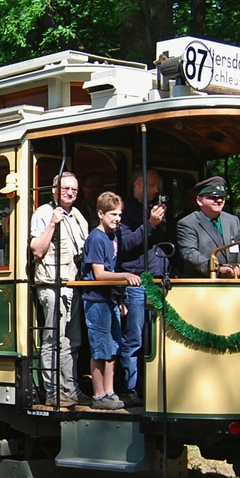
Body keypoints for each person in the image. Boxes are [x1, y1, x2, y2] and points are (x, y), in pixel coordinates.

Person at [29, 171, 91, 408]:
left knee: (72, 341)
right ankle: (53, 391)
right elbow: (37, 249)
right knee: (54, 338)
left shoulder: (77, 216)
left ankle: (71, 390)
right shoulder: (44, 213)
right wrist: (53, 224)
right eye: (66, 188)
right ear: (54, 190)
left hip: (72, 285)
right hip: (52, 285)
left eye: (74, 190)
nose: (70, 193)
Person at [81, 191, 142, 410]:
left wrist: (120, 299)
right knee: (100, 348)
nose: (117, 219)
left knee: (113, 347)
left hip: (111, 299)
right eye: (113, 214)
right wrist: (125, 276)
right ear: (100, 213)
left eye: (119, 214)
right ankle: (98, 395)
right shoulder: (96, 238)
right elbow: (99, 274)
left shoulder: (113, 236)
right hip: (96, 300)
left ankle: (110, 391)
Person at [116, 169, 168, 405]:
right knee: (134, 337)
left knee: (155, 338)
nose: (157, 190)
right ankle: (130, 388)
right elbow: (125, 244)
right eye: (153, 185)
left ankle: (154, 386)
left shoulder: (154, 209)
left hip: (157, 282)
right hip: (136, 282)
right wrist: (150, 225)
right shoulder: (125, 212)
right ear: (139, 184)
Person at [176, 176, 240, 278]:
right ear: (199, 200)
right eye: (213, 197)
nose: (219, 200)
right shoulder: (188, 223)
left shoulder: (232, 221)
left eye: (222, 197)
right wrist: (217, 268)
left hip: (234, 283)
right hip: (204, 286)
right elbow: (190, 254)